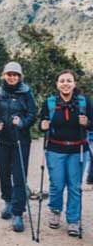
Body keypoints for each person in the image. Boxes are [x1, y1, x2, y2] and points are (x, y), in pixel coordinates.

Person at [40, 69, 92, 237]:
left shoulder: (84, 102)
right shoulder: (50, 102)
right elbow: (42, 121)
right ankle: (55, 212)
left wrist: (87, 122)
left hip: (78, 149)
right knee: (56, 184)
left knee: (74, 186)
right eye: (62, 81)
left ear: (74, 83)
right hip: (55, 149)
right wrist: (43, 126)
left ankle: (73, 220)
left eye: (69, 81)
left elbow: (92, 125)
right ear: (57, 84)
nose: (65, 84)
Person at [0, 62, 36, 232]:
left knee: (19, 175)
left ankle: (18, 213)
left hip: (20, 141)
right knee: (3, 174)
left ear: (20, 76)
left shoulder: (26, 92)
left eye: (15, 74)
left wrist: (22, 123)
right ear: (4, 75)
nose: (12, 77)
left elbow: (32, 114)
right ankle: (7, 201)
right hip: (1, 140)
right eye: (9, 74)